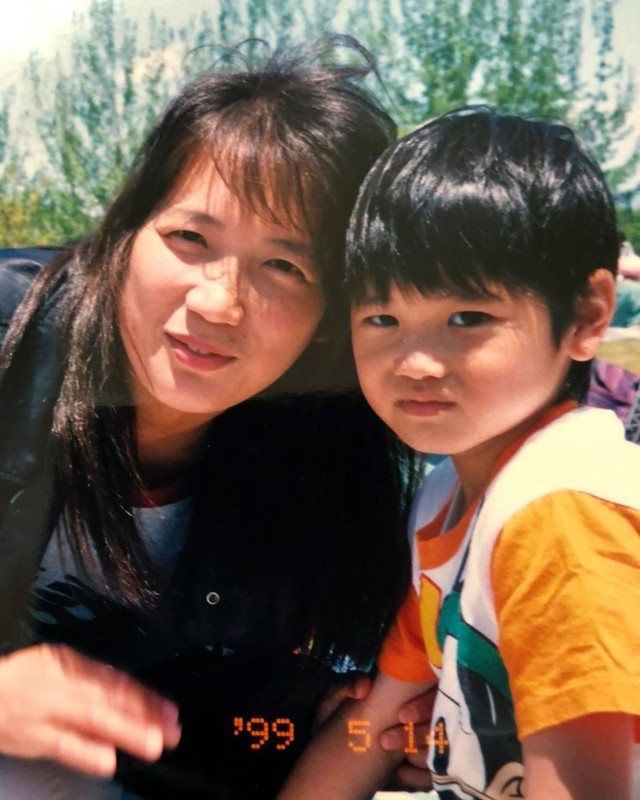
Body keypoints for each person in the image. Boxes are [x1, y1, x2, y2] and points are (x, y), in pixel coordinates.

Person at [0, 38, 432, 799]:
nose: (218, 304)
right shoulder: (9, 342)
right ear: (123, 232)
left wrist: (366, 730)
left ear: (333, 313)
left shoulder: (333, 467)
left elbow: (348, 723)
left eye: (285, 267)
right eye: (190, 238)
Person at [275, 108, 640, 800]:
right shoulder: (447, 499)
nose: (414, 361)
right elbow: (378, 724)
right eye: (381, 317)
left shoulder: (559, 514)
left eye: (467, 318)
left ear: (590, 315)